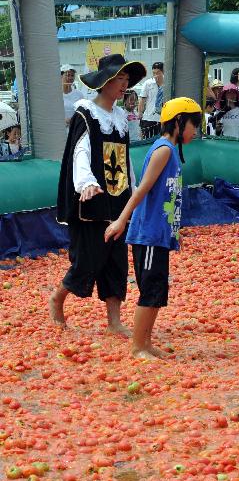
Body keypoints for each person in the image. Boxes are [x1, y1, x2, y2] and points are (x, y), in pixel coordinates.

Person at [50, 54, 147, 333]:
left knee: (116, 260)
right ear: (105, 82)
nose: (124, 84)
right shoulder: (85, 113)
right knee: (88, 259)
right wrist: (86, 183)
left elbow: (125, 158)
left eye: (127, 79)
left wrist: (134, 191)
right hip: (91, 199)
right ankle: (58, 298)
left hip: (117, 200)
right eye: (120, 78)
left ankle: (114, 322)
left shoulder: (120, 118)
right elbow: (80, 151)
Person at [103, 98, 201, 359]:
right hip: (148, 234)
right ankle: (138, 347)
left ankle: (145, 343)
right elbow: (142, 189)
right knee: (151, 290)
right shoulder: (163, 150)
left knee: (157, 290)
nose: (195, 131)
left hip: (159, 235)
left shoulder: (169, 150)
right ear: (179, 122)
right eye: (193, 124)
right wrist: (122, 220)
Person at [139, 62, 165, 139]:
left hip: (162, 119)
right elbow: (142, 99)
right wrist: (140, 113)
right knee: (146, 141)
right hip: (148, 118)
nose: (155, 75)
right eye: (154, 73)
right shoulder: (148, 83)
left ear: (163, 72)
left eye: (158, 73)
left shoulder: (168, 83)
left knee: (160, 141)